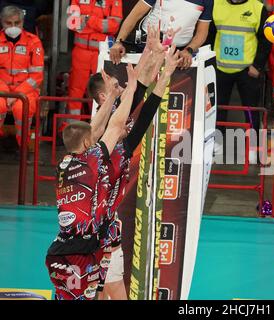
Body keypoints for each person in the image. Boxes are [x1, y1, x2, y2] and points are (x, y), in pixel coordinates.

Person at [91, 27, 179, 300]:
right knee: (106, 291)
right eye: (113, 87)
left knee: (109, 291)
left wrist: (156, 54)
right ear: (104, 99)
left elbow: (143, 93)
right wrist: (155, 61)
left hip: (107, 226)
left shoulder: (121, 138)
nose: (121, 88)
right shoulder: (99, 135)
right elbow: (138, 89)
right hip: (92, 231)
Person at [45, 63, 138, 300]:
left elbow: (92, 130)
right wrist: (131, 89)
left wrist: (111, 98)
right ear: (88, 145)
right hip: (82, 251)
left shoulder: (64, 163)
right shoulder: (93, 160)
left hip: (58, 251)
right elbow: (115, 127)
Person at [212, 0, 272, 164]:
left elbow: (266, 40)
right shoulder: (216, 4)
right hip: (220, 68)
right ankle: (215, 145)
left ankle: (255, 149)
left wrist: (257, 65)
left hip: (247, 70)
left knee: (252, 111)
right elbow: (209, 36)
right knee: (217, 109)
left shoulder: (258, 8)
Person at [65, 0, 123, 129]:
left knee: (100, 92)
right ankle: (72, 132)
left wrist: (88, 19)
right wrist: (101, 23)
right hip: (80, 52)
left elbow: (113, 26)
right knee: (75, 92)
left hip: (101, 54)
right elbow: (71, 23)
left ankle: (98, 130)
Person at [108, 0, 212, 69]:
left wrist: (189, 50)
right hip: (147, 48)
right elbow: (134, 16)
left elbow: (202, 33)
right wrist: (118, 42)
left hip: (177, 54)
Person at [0, 5, 44, 149]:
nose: (13, 26)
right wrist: (6, 93)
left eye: (17, 23)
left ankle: (23, 147)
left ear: (23, 22)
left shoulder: (34, 42)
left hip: (26, 90)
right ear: (2, 22)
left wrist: (17, 93)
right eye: (9, 23)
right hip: (2, 90)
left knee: (22, 108)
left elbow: (37, 76)